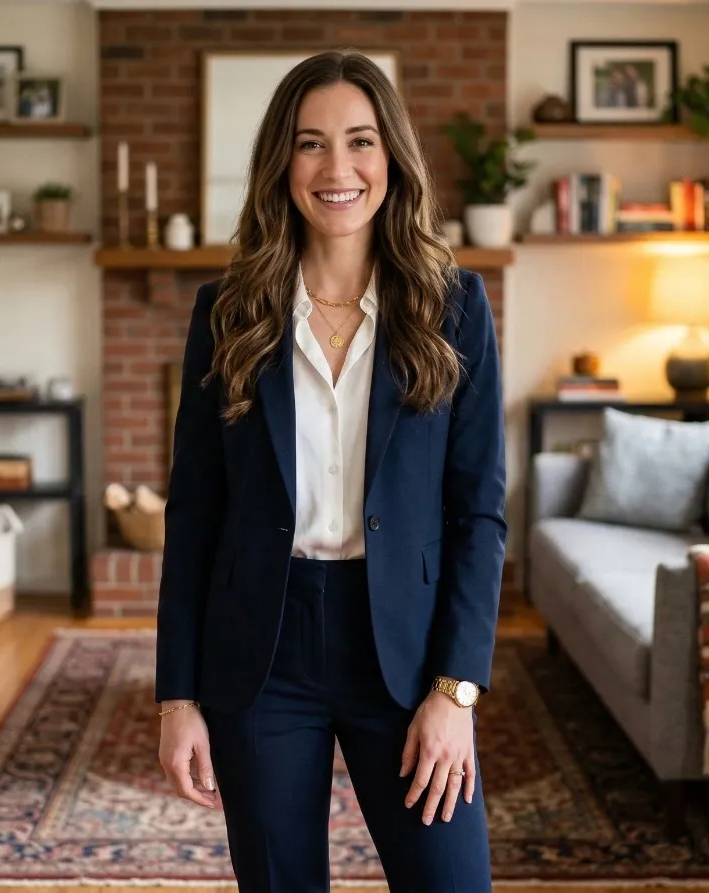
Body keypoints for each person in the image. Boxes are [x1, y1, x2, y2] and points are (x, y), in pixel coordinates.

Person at [154, 49, 505, 892]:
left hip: (410, 648)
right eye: (311, 144)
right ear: (283, 163)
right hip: (261, 650)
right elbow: (195, 509)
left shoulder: (455, 306)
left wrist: (456, 693)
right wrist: (178, 698)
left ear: (392, 158)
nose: (337, 168)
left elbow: (478, 514)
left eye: (360, 141)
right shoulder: (228, 311)